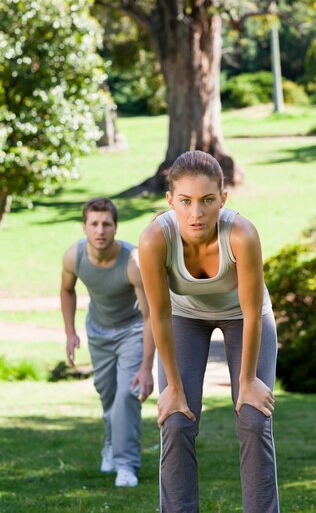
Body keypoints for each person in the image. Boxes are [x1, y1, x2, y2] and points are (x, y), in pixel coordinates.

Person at [139, 150, 279, 513]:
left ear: (224, 198)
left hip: (244, 318)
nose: (196, 213)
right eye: (185, 201)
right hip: (183, 318)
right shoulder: (155, 238)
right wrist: (172, 386)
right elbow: (160, 314)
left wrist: (247, 381)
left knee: (252, 417)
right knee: (175, 419)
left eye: (207, 200)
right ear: (170, 200)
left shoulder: (241, 234)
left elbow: (251, 312)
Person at [60, 197, 155, 488]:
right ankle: (111, 446)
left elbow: (151, 315)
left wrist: (146, 367)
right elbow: (67, 290)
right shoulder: (73, 256)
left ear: (115, 227)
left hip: (133, 331)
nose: (100, 230)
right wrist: (70, 332)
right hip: (98, 332)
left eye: (106, 224)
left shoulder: (133, 262)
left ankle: (127, 465)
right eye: (94, 224)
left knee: (127, 396)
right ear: (84, 227)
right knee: (108, 396)